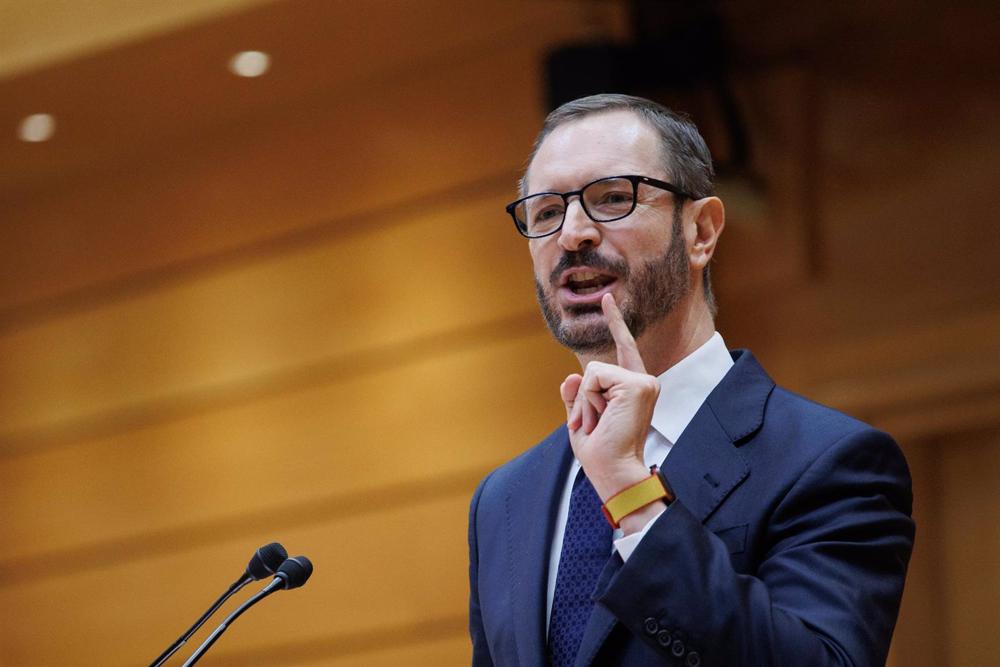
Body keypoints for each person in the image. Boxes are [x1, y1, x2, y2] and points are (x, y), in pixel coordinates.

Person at [467, 94, 914, 666]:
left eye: (611, 198)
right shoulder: (504, 498)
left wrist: (632, 493)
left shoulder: (831, 462)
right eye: (546, 212)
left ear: (701, 230)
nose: (572, 234)